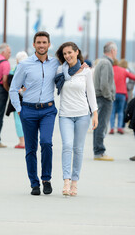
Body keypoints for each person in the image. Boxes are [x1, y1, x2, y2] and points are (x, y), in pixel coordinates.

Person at [9, 31, 60, 196]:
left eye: (44, 42)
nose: (41, 45)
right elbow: (13, 88)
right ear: (34, 44)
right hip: (28, 110)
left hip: (48, 110)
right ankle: (34, 183)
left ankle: (46, 179)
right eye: (38, 42)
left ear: (49, 44)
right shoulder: (25, 64)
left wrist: (83, 65)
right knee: (30, 149)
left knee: (46, 143)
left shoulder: (55, 63)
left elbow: (72, 65)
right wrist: (19, 109)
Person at [55, 42, 98, 196]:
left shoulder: (86, 71)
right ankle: (66, 180)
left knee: (78, 149)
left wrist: (95, 113)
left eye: (70, 53)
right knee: (67, 145)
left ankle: (74, 182)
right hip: (65, 114)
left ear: (77, 52)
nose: (67, 56)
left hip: (82, 115)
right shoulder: (60, 70)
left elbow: (91, 93)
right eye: (64, 54)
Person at [93, 42, 117, 161]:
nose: (116, 53)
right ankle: (99, 152)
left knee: (99, 125)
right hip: (104, 98)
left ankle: (98, 150)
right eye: (115, 51)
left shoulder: (100, 61)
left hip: (99, 97)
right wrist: (109, 96)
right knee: (102, 125)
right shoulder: (106, 63)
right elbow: (104, 84)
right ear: (112, 51)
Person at [6, 51, 28, 148]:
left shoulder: (14, 69)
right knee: (29, 120)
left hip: (17, 98)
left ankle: (22, 142)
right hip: (29, 98)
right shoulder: (30, 68)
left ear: (17, 60)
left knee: (19, 120)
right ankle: (28, 141)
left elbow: (9, 83)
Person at [109, 59, 135, 135]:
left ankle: (112, 128)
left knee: (112, 111)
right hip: (122, 93)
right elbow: (133, 77)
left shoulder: (111, 70)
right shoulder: (123, 70)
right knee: (121, 111)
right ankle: (120, 127)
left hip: (113, 93)